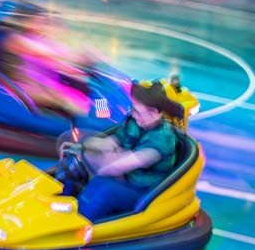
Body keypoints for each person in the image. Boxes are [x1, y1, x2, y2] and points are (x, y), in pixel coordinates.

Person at [69, 82, 179, 222]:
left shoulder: (162, 140)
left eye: (137, 111)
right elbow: (111, 142)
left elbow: (114, 167)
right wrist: (82, 147)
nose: (133, 114)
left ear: (154, 113)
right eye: (132, 109)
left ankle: (76, 226)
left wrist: (94, 160)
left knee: (104, 187)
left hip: (143, 192)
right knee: (73, 170)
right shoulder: (135, 121)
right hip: (125, 178)